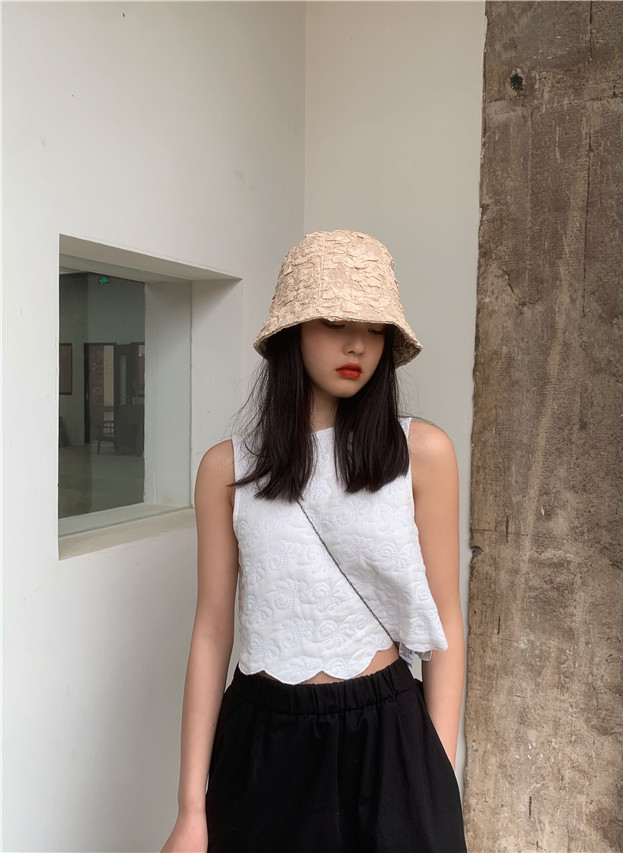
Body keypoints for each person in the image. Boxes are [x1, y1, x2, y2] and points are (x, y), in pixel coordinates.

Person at [161, 230, 468, 853]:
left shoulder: (422, 453)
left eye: (375, 329)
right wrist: (191, 809)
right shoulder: (227, 469)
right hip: (263, 739)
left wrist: (435, 773)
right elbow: (213, 632)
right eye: (333, 322)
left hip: (388, 737)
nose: (358, 345)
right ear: (293, 331)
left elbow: (444, 623)